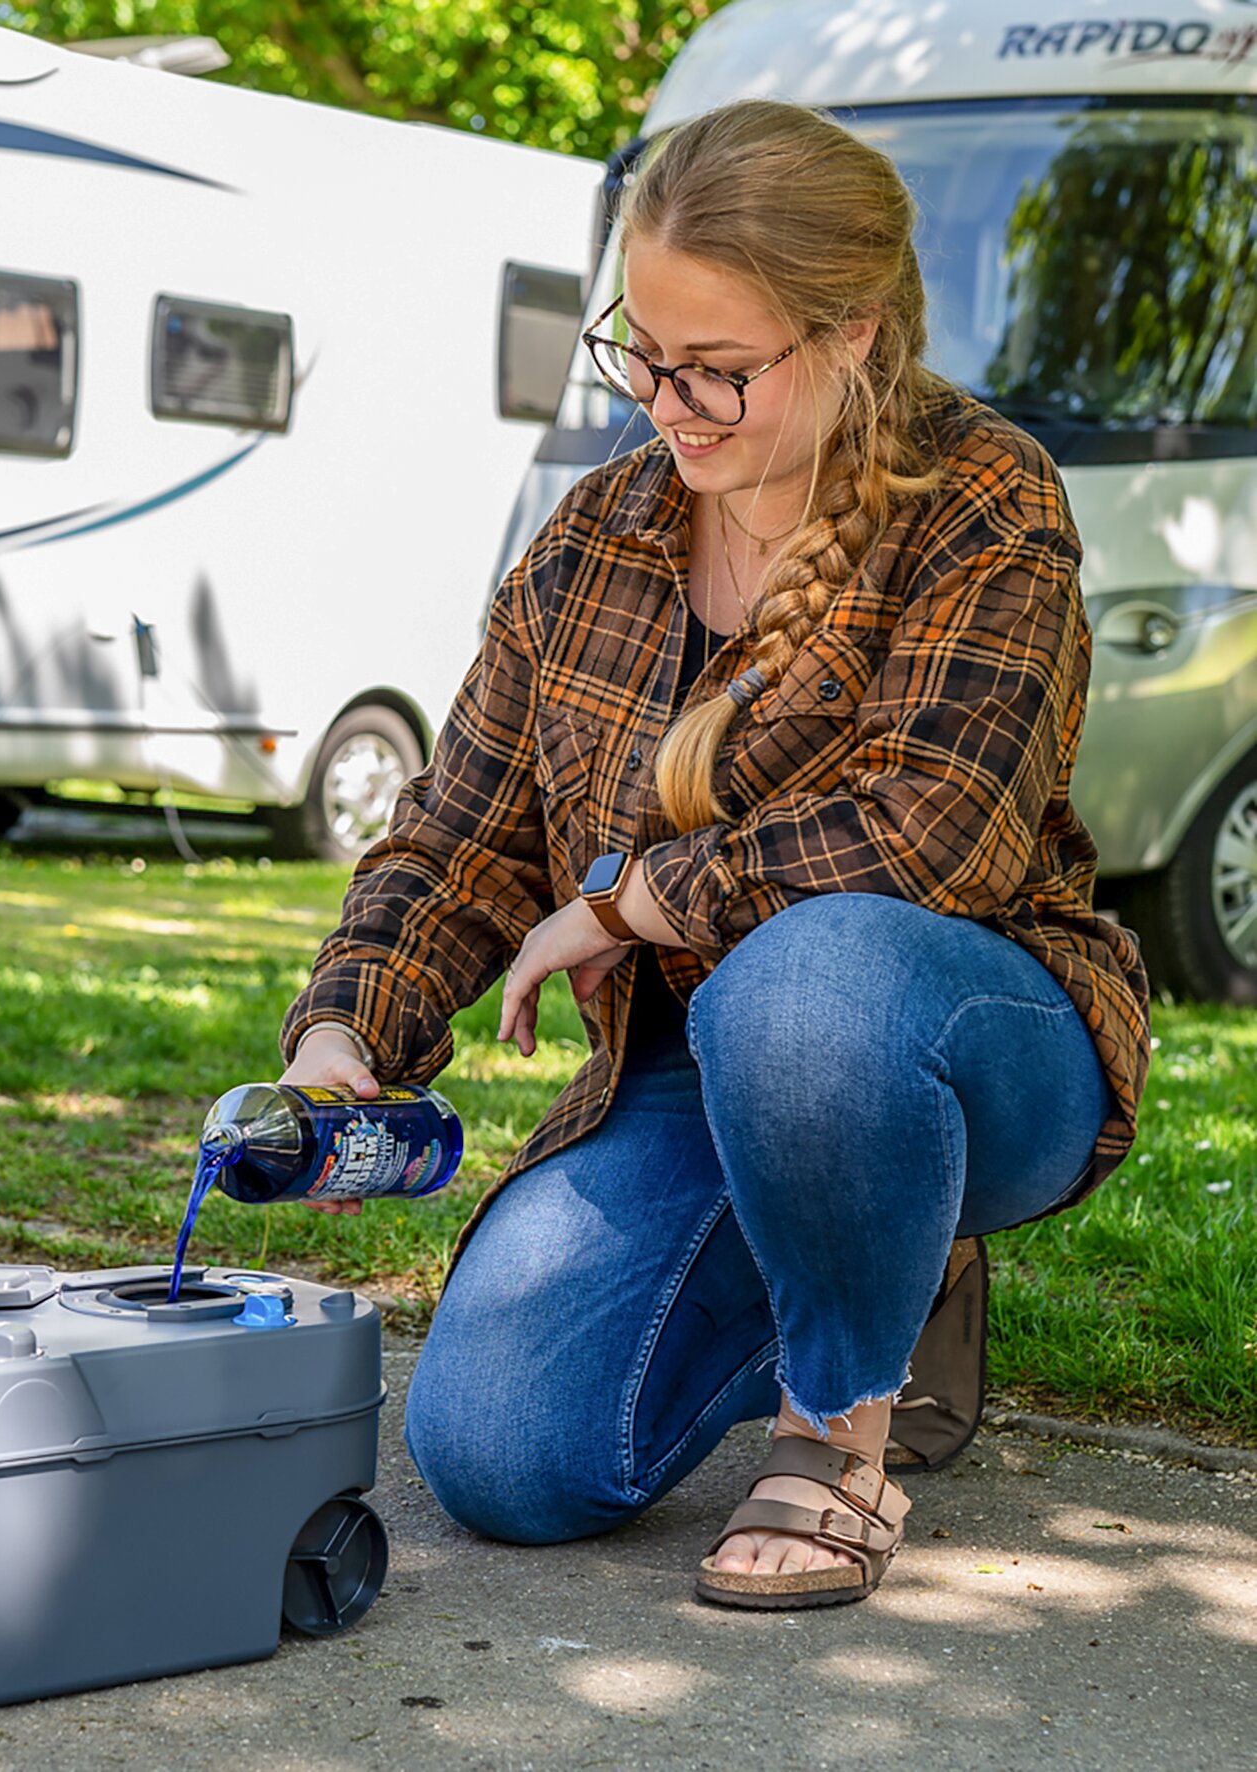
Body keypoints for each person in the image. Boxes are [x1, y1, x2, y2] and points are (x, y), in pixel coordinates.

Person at [276, 98, 1149, 1610]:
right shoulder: (596, 538)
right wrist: (350, 1031)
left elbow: (934, 834)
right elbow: (459, 839)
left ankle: (842, 1433)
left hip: (960, 1030)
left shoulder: (985, 503)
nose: (668, 407)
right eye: (642, 354)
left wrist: (639, 896)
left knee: (797, 983)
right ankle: (869, 1261)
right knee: (497, 1455)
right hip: (692, 1071)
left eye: (719, 371)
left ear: (853, 336)